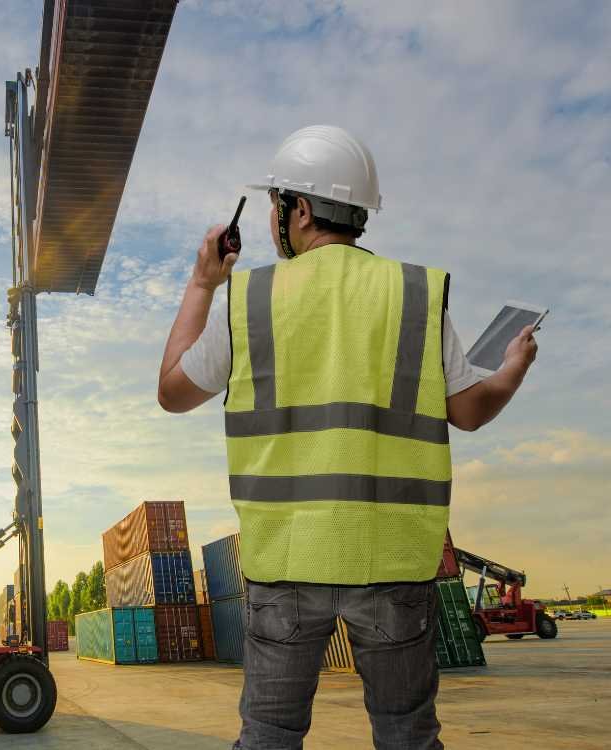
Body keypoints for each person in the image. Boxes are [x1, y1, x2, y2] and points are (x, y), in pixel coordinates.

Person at [156, 125, 538, 749]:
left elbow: (173, 390)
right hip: (391, 558)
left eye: (277, 203)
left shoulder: (249, 299)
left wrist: (203, 283)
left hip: (285, 558)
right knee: (407, 735)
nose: (275, 218)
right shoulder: (414, 294)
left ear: (300, 210)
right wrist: (513, 367)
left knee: (269, 736)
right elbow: (469, 411)